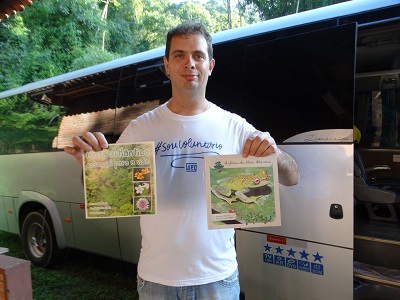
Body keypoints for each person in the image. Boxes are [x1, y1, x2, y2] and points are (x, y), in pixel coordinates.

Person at [65, 22, 299, 300]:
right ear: (167, 65)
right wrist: (91, 169)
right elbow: (106, 191)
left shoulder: (234, 126)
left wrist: (276, 154)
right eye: (179, 55)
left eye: (198, 55)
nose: (189, 63)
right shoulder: (141, 128)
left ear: (210, 65)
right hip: (156, 279)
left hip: (218, 278)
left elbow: (292, 177)